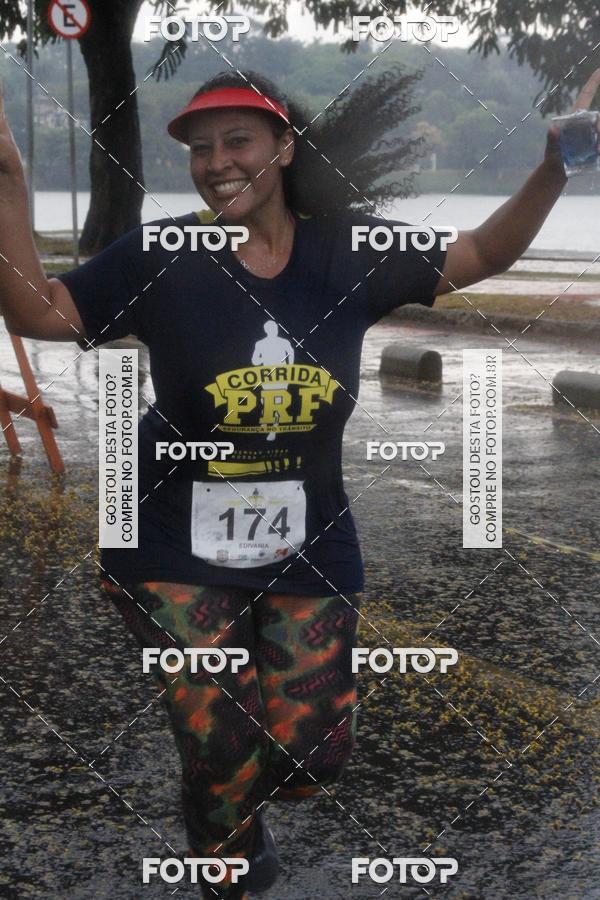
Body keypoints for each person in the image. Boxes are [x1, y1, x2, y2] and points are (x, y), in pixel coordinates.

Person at [2, 64, 599, 899]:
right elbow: (37, 310)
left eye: (237, 141)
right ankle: (227, 864)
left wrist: (555, 168)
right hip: (166, 539)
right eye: (200, 149)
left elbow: (483, 252)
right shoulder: (164, 256)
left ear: (284, 147)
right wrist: (9, 178)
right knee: (219, 740)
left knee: (312, 756)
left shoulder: (348, 252)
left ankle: (241, 789)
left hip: (308, 543)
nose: (216, 162)